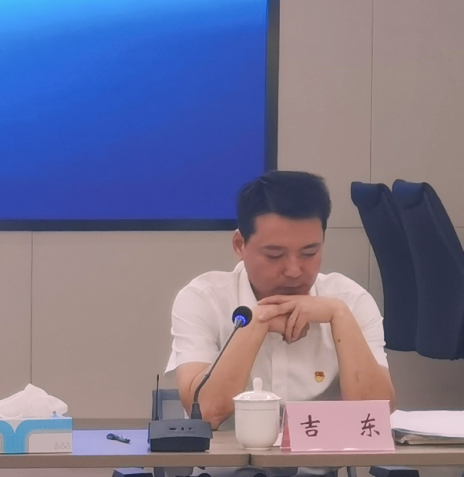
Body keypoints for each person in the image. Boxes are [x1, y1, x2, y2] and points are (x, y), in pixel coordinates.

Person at [167, 170, 394, 429]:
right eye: (275, 255)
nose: (294, 271)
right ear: (240, 244)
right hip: (226, 457)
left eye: (309, 253)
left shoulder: (350, 301)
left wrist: (339, 315)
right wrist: (257, 323)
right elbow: (206, 412)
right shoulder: (203, 299)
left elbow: (376, 417)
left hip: (322, 456)